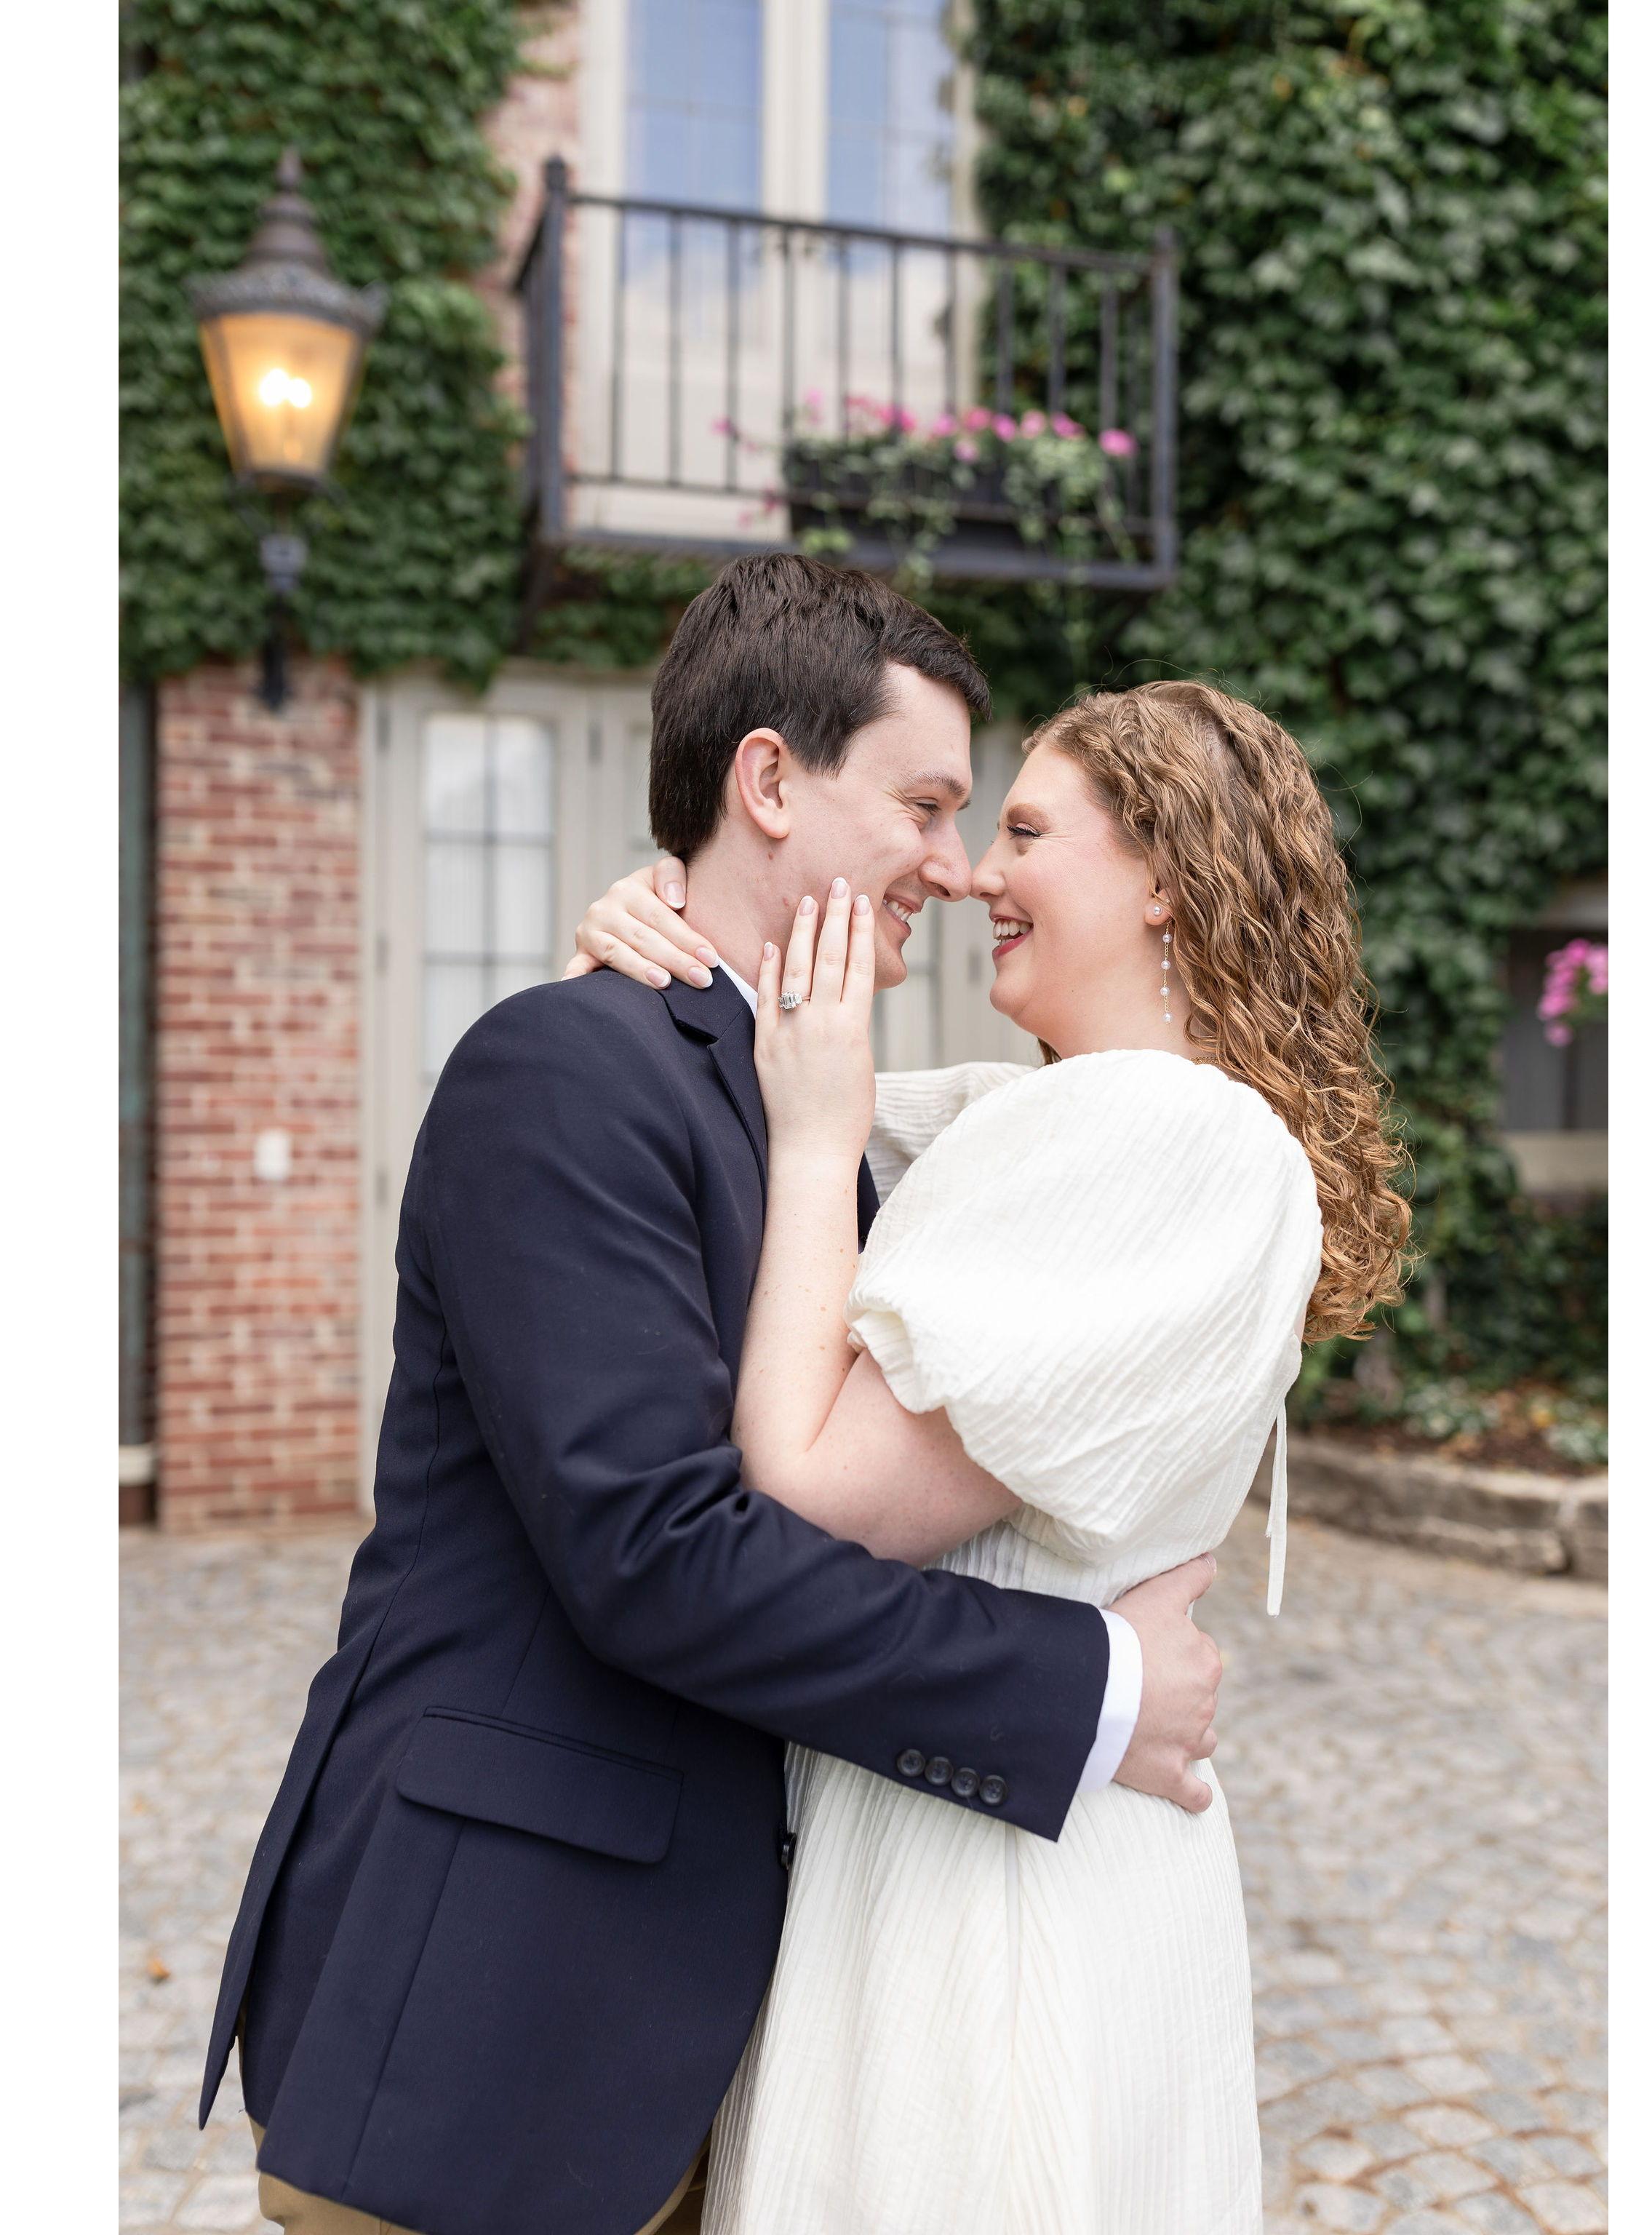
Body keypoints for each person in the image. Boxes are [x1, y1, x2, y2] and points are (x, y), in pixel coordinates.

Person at [197, 556, 1231, 2235]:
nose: (954, 866)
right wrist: (1093, 1690)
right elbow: (658, 1555)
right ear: (769, 782)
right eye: (924, 805)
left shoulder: (824, 1111)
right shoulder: (564, 1070)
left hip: (698, 2042)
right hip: (494, 2013)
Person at [570, 678, 1410, 2233]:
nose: (972, 875)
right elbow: (717, 1084)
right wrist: (654, 924)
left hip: (994, 1896)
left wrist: (817, 1142)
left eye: (1025, 831)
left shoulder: (1169, 1138)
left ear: (1164, 873)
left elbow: (810, 1496)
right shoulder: (1037, 1122)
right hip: (972, 1823)